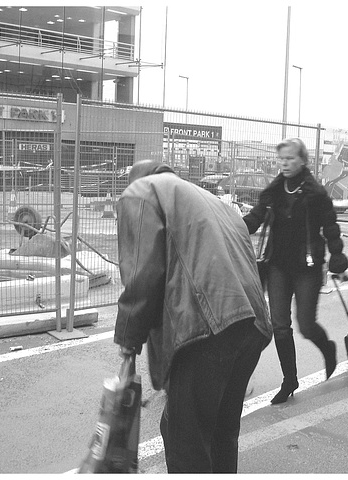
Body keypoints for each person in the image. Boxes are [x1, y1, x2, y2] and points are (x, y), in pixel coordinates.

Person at [113, 160, 273, 473]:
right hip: (252, 325)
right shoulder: (213, 201)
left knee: (188, 445)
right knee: (222, 434)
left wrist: (129, 339)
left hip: (208, 329)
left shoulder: (141, 192)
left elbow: (142, 274)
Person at [243, 138, 348, 405]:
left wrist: (336, 256)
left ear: (302, 160)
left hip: (307, 267)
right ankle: (290, 380)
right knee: (280, 325)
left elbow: (330, 227)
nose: (284, 163)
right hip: (277, 265)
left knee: (306, 324)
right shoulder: (275, 191)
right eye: (281, 158)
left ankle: (328, 348)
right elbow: (256, 217)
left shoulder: (315, 193)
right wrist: (234, 227)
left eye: (290, 158)